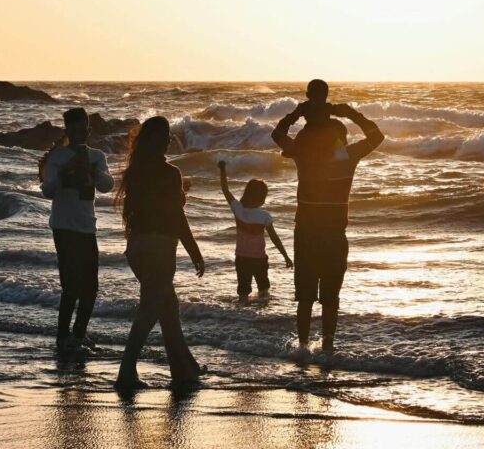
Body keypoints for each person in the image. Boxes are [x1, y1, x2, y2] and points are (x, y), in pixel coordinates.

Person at [271, 80, 384, 355]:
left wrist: (296, 114)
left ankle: (302, 347)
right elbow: (377, 137)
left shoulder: (302, 153)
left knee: (305, 297)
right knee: (331, 296)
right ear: (339, 136)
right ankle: (329, 347)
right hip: (334, 234)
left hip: (306, 233)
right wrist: (352, 114)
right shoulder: (348, 155)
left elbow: (277, 134)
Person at [114, 116, 206, 389]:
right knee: (149, 311)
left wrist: (178, 196)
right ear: (160, 140)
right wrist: (195, 251)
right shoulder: (169, 173)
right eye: (166, 136)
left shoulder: (135, 171)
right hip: (160, 248)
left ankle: (184, 367)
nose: (168, 140)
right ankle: (126, 372)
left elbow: (146, 209)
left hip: (137, 246)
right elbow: (175, 217)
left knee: (168, 307)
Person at [39, 107, 114, 351]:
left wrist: (93, 170)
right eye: (75, 129)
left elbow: (107, 186)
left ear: (89, 130)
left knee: (91, 288)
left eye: (84, 129)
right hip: (63, 226)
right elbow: (47, 191)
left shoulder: (97, 156)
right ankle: (62, 337)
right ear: (67, 130)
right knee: (70, 286)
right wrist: (65, 170)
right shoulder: (57, 158)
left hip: (87, 227)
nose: (81, 133)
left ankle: (79, 334)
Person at [217, 160, 292, 302]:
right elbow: (275, 238)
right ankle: (261, 316)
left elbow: (225, 190)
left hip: (242, 258)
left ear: (246, 193)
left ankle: (243, 313)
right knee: (263, 289)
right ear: (263, 198)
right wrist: (285, 256)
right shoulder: (264, 216)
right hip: (260, 259)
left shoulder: (238, 209)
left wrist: (222, 170)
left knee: (243, 291)